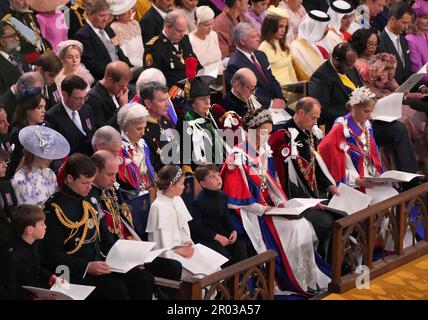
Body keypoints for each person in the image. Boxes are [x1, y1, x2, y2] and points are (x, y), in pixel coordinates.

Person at [220, 108, 330, 294]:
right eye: (264, 132)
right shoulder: (238, 158)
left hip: (267, 208)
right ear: (252, 131)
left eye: (269, 133)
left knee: (302, 224)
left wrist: (281, 203)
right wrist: (265, 210)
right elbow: (237, 201)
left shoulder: (263, 151)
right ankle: (288, 279)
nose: (267, 137)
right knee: (294, 228)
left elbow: (271, 183)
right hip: (249, 214)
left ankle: (306, 278)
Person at [41, 153, 155, 299]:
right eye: (85, 183)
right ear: (69, 178)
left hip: (99, 264)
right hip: (73, 271)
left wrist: (127, 261)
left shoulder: (91, 199)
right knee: (115, 289)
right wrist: (86, 266)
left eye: (91, 182)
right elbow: (52, 256)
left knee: (143, 279)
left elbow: (105, 237)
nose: (89, 187)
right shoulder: (55, 208)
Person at [308, 43, 421, 189]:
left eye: (352, 64)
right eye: (348, 65)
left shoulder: (350, 68)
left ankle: (410, 180)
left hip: (366, 120)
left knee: (399, 128)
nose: (351, 68)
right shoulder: (320, 77)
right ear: (336, 60)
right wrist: (354, 112)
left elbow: (361, 90)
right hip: (345, 128)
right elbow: (323, 111)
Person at [90, 150, 183, 288]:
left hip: (127, 249)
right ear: (95, 172)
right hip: (112, 256)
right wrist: (128, 259)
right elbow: (104, 237)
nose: (114, 179)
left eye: (116, 174)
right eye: (110, 174)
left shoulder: (111, 190)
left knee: (173, 266)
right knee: (144, 279)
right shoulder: (92, 197)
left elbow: (125, 224)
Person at [318, 87, 400, 203]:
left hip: (369, 177)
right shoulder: (341, 127)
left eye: (372, 111)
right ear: (354, 108)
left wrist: (376, 171)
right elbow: (325, 155)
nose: (370, 115)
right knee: (385, 202)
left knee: (395, 196)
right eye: (366, 111)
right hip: (353, 182)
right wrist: (356, 180)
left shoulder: (367, 125)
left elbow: (371, 154)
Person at [190, 164, 247, 266]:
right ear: (203, 184)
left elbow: (225, 217)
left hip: (219, 232)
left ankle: (238, 279)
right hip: (205, 236)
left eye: (217, 174)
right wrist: (216, 237)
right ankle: (225, 280)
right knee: (223, 255)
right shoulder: (198, 201)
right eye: (212, 177)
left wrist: (232, 230)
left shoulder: (222, 196)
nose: (218, 178)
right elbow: (196, 227)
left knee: (240, 248)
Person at [146, 165, 196, 278]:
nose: (184, 187)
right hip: (171, 257)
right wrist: (178, 251)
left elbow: (184, 229)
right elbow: (160, 245)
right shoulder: (158, 207)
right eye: (181, 183)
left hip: (184, 249)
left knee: (213, 267)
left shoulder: (178, 200)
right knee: (199, 276)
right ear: (171, 186)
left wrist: (187, 242)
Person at [225, 23, 287, 110]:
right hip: (255, 109)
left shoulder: (261, 54)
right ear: (242, 41)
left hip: (276, 105)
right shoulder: (235, 64)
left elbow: (272, 79)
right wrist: (270, 103)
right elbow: (244, 93)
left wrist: (280, 99)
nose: (258, 39)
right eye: (254, 37)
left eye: (258, 35)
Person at [143, 10, 200, 101]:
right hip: (171, 96)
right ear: (168, 27)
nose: (182, 35)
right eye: (179, 31)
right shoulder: (154, 47)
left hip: (191, 90)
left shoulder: (184, 40)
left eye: (184, 31)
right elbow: (153, 82)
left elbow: (196, 64)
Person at [11, 125, 70, 207]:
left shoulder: (50, 174)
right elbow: (24, 214)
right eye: (47, 155)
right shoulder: (20, 180)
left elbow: (55, 202)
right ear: (36, 155)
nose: (51, 159)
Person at [75, 0, 132, 80]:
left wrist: (128, 67)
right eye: (101, 15)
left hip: (122, 74)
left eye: (107, 15)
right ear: (90, 15)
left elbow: (118, 52)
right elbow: (94, 66)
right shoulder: (83, 35)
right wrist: (119, 73)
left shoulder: (108, 29)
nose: (105, 19)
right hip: (108, 79)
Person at [9, 204, 57, 299]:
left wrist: (50, 276)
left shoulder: (34, 243)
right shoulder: (12, 255)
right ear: (30, 230)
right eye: (42, 224)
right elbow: (9, 289)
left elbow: (33, 268)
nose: (46, 227)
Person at [179, 77, 225, 169]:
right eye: (202, 99)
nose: (207, 102)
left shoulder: (212, 114)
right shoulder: (187, 121)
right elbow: (187, 155)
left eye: (208, 97)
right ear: (192, 103)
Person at [46, 75, 96, 156]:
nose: (82, 102)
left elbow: (92, 134)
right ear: (64, 95)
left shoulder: (87, 109)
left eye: (84, 97)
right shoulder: (52, 117)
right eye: (78, 98)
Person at [117, 102, 156, 196]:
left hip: (149, 193)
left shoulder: (143, 144)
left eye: (144, 128)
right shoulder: (118, 148)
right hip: (130, 196)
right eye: (138, 129)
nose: (143, 133)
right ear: (126, 127)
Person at [141, 82, 179, 172]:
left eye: (167, 100)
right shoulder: (142, 129)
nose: (167, 105)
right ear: (148, 103)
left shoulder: (166, 122)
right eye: (162, 101)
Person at [8, 92, 47, 177]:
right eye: (39, 107)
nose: (44, 111)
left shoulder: (44, 126)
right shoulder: (18, 133)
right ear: (27, 109)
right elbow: (17, 165)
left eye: (44, 107)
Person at [259, 6, 298, 89]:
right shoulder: (263, 48)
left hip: (291, 88)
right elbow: (265, 78)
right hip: (277, 90)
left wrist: (297, 88)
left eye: (285, 26)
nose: (283, 30)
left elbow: (290, 70)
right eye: (280, 26)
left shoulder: (284, 44)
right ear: (271, 26)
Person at [87, 61, 132, 128]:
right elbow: (102, 130)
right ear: (110, 80)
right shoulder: (93, 98)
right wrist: (122, 108)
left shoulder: (115, 90)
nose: (124, 89)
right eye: (122, 86)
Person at [289, 10, 330, 81]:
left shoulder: (311, 44)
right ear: (316, 28)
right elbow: (304, 74)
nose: (327, 29)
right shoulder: (296, 47)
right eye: (325, 27)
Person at [110, 0, 145, 75]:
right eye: (125, 12)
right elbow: (122, 52)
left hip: (143, 61)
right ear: (117, 14)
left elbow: (142, 46)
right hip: (130, 66)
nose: (130, 13)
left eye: (131, 9)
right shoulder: (115, 27)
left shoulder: (134, 23)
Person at [0, 21, 30, 95]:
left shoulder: (18, 55)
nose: (17, 38)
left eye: (16, 34)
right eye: (13, 36)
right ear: (2, 42)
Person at [189, 6, 222, 71]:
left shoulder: (213, 34)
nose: (210, 28)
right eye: (206, 25)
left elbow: (219, 59)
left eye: (212, 24)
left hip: (219, 73)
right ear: (196, 23)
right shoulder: (190, 40)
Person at [406, 0, 428, 87]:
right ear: (415, 18)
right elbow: (418, 73)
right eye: (425, 18)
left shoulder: (426, 33)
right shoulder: (410, 39)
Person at [0, 149, 17, 219]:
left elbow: (12, 209)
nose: (5, 165)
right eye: (1, 162)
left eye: (5, 161)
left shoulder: (6, 185)